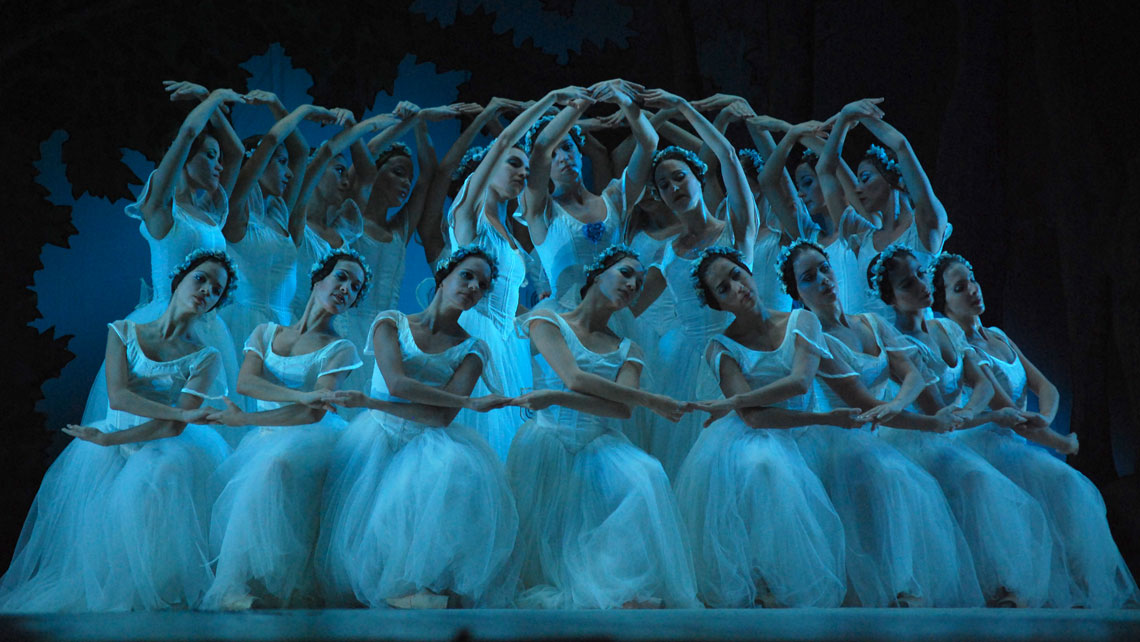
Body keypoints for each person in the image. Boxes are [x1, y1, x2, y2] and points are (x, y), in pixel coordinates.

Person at [779, 240, 1015, 607]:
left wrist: (900, 403)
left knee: (909, 478)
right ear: (797, 292)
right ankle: (900, 587)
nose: (825, 279)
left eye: (825, 268)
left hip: (878, 430)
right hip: (839, 437)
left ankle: (927, 585)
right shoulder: (814, 337)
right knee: (896, 478)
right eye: (810, 278)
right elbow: (862, 401)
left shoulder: (870, 322)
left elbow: (913, 377)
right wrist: (927, 422)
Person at [0, 250, 236, 611]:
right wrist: (117, 436)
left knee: (161, 477)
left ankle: (154, 593)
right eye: (201, 278)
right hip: (116, 433)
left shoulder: (205, 356)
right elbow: (120, 396)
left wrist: (117, 438)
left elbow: (174, 425)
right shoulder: (124, 332)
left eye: (216, 290)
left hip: (160, 442)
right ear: (181, 278)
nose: (206, 290)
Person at [316, 247, 519, 609]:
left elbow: (441, 417)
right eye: (467, 276)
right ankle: (390, 586)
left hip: (428, 436)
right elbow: (396, 383)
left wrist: (452, 402)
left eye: (483, 285)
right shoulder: (390, 323)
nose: (473, 287)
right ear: (444, 276)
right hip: (378, 436)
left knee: (448, 471)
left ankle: (420, 584)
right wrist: (462, 400)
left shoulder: (473, 348)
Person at [933, 253, 1139, 608]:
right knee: (1049, 485)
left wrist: (1045, 416)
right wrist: (1059, 440)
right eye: (959, 287)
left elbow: (1046, 387)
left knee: (1068, 485)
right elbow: (1006, 410)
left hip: (1016, 439)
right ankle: (1013, 588)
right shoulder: (963, 348)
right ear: (945, 303)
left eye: (972, 279)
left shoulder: (997, 335)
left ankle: (1081, 585)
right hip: (981, 442)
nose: (972, 290)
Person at [506, 245, 699, 609]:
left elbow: (623, 409)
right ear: (597, 274)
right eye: (626, 273)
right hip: (547, 441)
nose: (632, 284)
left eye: (639, 283)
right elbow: (574, 377)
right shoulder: (546, 321)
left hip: (599, 440)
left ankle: (617, 583)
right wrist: (652, 400)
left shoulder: (629, 348)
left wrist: (556, 397)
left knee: (646, 475)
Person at [870, 244, 1059, 607]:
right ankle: (984, 586)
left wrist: (973, 411)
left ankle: (1003, 585)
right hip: (916, 438)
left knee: (985, 479)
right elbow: (937, 413)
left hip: (950, 433)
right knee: (977, 478)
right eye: (908, 284)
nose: (921, 286)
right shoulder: (901, 343)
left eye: (921, 275)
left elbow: (983, 382)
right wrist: (986, 417)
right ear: (892, 298)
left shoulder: (944, 329)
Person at [675, 247, 855, 608]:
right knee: (764, 465)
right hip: (757, 434)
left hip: (806, 430)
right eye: (723, 289)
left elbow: (801, 383)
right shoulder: (719, 347)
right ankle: (763, 577)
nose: (737, 288)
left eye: (737, 275)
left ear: (750, 272)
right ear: (719, 304)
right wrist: (819, 418)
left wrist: (733, 402)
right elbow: (754, 417)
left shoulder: (801, 321)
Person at [200, 249, 369, 610]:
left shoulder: (340, 348)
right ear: (318, 279)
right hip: (266, 431)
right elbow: (247, 384)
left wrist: (254, 418)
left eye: (355, 288)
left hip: (313, 435)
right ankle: (236, 584)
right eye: (341, 277)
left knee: (276, 464)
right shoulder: (266, 332)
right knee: (260, 467)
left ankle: (264, 584)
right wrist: (303, 394)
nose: (346, 290)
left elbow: (311, 415)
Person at [81, 83, 247, 440]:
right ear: (184, 160)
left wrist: (208, 101)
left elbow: (236, 153)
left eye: (217, 159)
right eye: (209, 156)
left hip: (204, 326)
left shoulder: (210, 213)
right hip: (159, 320)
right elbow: (187, 133)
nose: (219, 165)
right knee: (145, 418)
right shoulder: (162, 213)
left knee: (198, 425)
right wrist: (216, 97)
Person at [445, 86, 591, 459]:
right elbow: (507, 138)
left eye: (526, 171)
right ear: (489, 165)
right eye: (513, 164)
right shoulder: (469, 216)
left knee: (511, 443)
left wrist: (547, 317)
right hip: (474, 334)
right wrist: (553, 98)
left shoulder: (510, 230)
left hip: (507, 338)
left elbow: (508, 304)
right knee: (479, 440)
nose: (523, 174)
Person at [631, 87, 759, 479]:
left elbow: (729, 155)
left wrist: (683, 107)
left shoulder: (735, 231)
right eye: (664, 186)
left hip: (739, 348)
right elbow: (631, 304)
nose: (673, 188)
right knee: (691, 467)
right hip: (684, 365)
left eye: (679, 177)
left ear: (698, 178)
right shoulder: (667, 254)